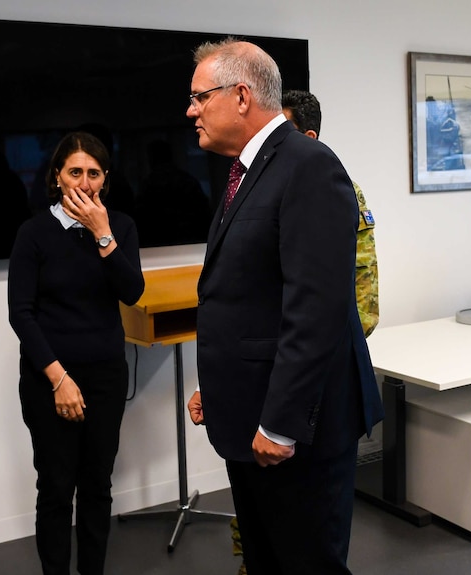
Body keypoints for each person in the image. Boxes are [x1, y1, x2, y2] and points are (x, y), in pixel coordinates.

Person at [184, 39, 384, 575]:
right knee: (266, 560)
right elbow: (252, 299)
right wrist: (218, 384)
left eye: (200, 96)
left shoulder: (308, 166)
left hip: (297, 429)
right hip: (253, 412)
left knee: (305, 563)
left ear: (242, 95)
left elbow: (314, 310)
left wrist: (280, 424)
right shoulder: (248, 171)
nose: (191, 110)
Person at [229, 89, 382, 574]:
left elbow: (355, 302)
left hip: (313, 389)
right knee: (267, 540)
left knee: (312, 548)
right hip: (273, 386)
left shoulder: (321, 181)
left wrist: (296, 385)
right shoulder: (252, 183)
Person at [8, 131, 145, 575]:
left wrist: (103, 235)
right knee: (55, 487)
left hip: (106, 376)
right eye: (75, 172)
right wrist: (59, 379)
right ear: (57, 177)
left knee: (97, 487)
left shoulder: (120, 226)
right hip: (49, 381)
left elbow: (132, 291)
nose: (84, 182)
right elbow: (21, 315)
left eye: (94, 173)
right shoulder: (34, 233)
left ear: (104, 180)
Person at [281, 89, 379, 337]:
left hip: (324, 338)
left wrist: (353, 334)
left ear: (309, 137)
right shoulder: (275, 187)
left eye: (284, 133)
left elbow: (362, 264)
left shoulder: (337, 188)